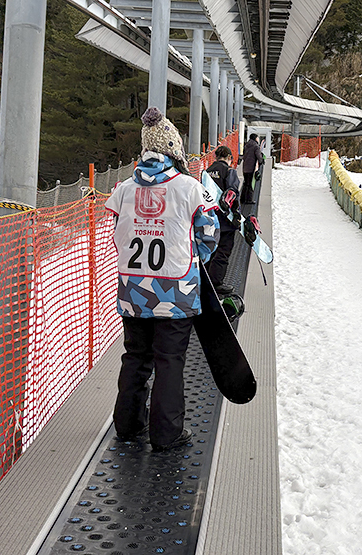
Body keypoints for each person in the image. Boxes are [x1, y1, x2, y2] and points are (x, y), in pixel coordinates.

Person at [105, 106, 219, 452]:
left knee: (135, 357)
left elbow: (116, 235)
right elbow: (209, 236)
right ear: (174, 149)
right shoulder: (189, 187)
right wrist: (190, 258)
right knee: (170, 361)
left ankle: (127, 426)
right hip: (177, 290)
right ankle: (166, 434)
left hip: (133, 291)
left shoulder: (123, 189)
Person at [205, 145, 240, 295]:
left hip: (208, 219)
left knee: (209, 252)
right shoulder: (229, 171)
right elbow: (233, 192)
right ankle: (216, 283)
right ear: (229, 158)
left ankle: (204, 280)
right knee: (222, 253)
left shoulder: (205, 173)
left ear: (215, 157)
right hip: (225, 222)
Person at [241, 133, 264, 204]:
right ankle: (249, 199)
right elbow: (258, 156)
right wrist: (261, 161)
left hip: (245, 166)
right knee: (250, 183)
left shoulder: (246, 145)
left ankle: (242, 198)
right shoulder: (255, 146)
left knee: (245, 183)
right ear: (255, 138)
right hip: (251, 167)